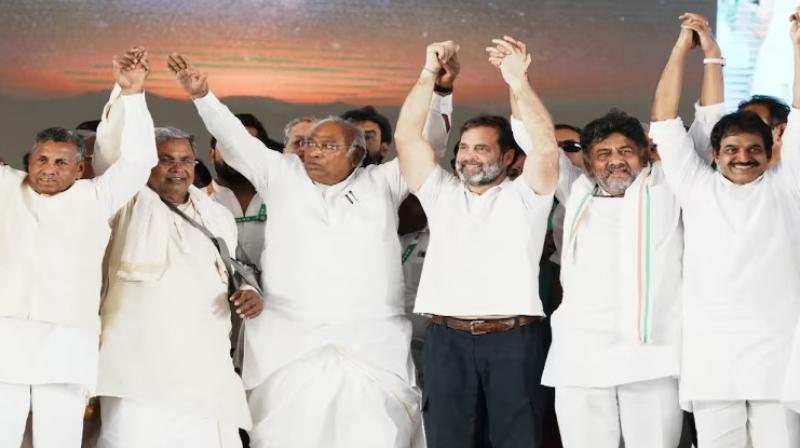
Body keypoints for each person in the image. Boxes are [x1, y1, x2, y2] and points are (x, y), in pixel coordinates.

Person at [168, 52, 427, 448]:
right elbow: (236, 142)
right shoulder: (281, 174)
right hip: (288, 340)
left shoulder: (384, 183)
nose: (313, 152)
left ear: (357, 155)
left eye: (328, 145)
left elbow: (424, 144)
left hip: (371, 343)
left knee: (371, 433)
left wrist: (438, 89)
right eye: (309, 144)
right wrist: (203, 96)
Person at [395, 37, 558, 447]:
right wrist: (429, 74)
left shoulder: (528, 196)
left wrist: (518, 81)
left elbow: (545, 146)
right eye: (464, 148)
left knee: (517, 440)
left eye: (482, 149)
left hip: (514, 340)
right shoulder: (441, 193)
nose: (469, 156)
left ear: (508, 158)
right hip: (446, 340)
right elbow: (407, 138)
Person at [649, 9, 800, 447]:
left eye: (754, 148)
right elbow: (664, 119)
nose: (743, 157)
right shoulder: (696, 186)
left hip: (777, 355)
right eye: (731, 148)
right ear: (714, 154)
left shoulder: (787, 186)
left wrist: (797, 46)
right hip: (713, 355)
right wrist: (683, 49)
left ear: (772, 150)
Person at [0, 46, 157, 448]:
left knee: (60, 439)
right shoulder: (6, 187)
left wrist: (132, 94)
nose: (48, 170)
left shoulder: (96, 197)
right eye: (42, 160)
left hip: (67, 343)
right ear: (30, 160)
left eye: (60, 163)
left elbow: (139, 162)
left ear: (79, 168)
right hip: (6, 337)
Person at [93, 118, 261, 446]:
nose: (177, 169)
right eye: (165, 159)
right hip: (138, 365)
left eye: (185, 160)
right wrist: (130, 96)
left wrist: (249, 291)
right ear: (145, 163)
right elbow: (108, 153)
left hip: (204, 362)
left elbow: (234, 270)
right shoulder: (124, 204)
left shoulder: (216, 215)